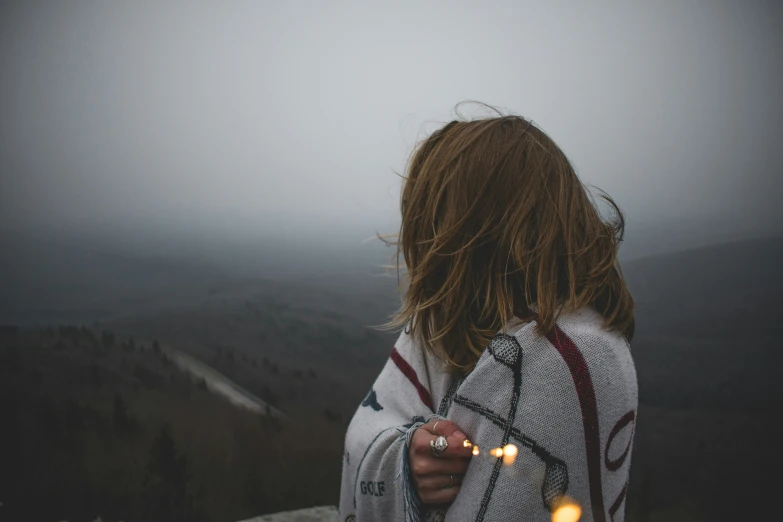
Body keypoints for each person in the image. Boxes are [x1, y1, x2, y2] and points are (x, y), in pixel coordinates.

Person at [339, 106, 637, 522]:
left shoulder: (569, 358)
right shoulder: (439, 327)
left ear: (466, 236)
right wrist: (409, 459)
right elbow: (372, 423)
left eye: (433, 219)